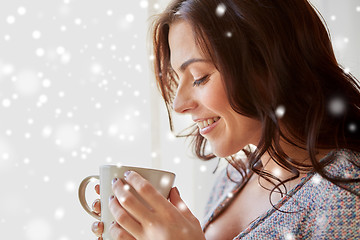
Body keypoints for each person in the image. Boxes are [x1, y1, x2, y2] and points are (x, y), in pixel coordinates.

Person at [91, 0, 360, 239]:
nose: (179, 105)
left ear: (269, 66)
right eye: (178, 79)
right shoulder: (233, 178)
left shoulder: (345, 195)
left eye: (200, 77)